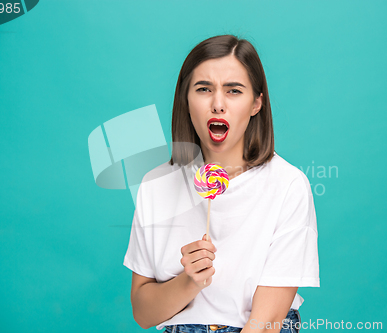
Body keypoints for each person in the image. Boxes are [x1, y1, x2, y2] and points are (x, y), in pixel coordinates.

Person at [123, 34, 319, 333]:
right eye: (203, 89)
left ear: (256, 103)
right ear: (186, 101)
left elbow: (266, 324)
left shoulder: (288, 185)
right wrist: (190, 281)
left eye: (233, 91)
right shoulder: (155, 185)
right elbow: (144, 314)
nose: (217, 104)